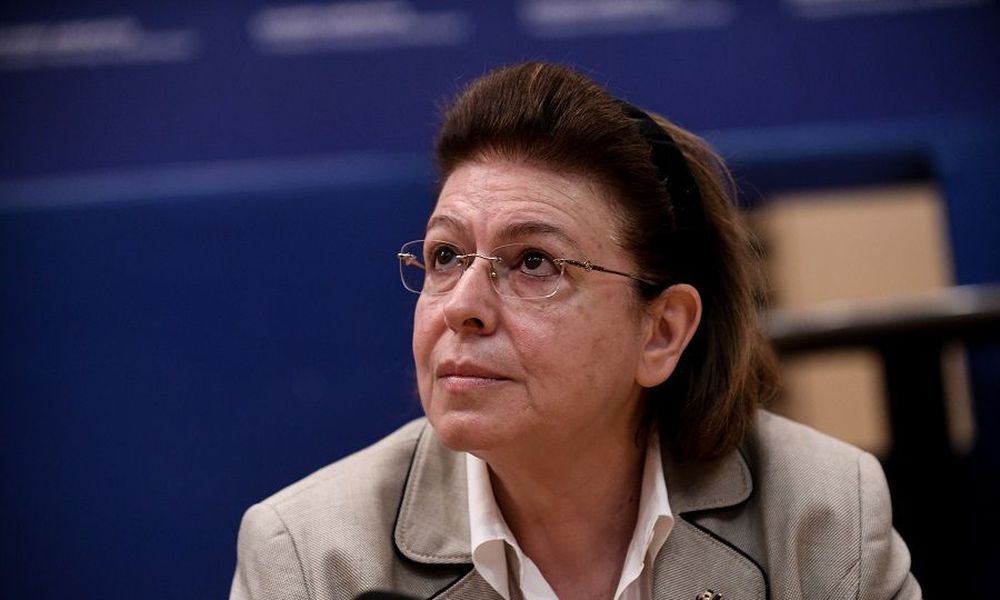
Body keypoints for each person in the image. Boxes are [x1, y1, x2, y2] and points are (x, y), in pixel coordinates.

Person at [230, 62, 920, 600]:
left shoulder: (819, 517)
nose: (462, 306)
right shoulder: (312, 560)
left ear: (661, 332)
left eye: (534, 262)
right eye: (445, 256)